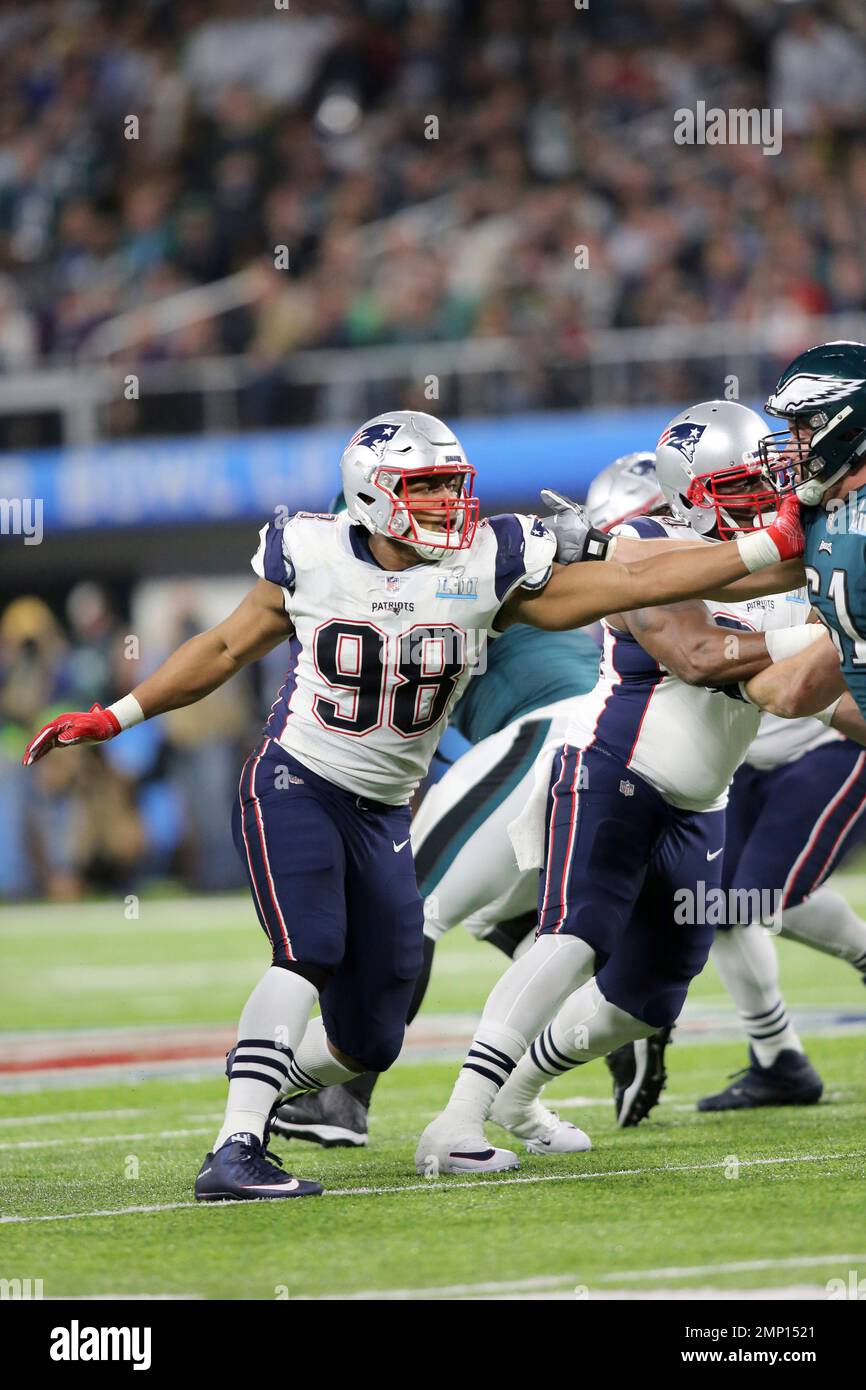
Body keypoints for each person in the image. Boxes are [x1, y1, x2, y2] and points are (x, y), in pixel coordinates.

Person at [23, 409, 805, 1200]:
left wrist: (775, 550)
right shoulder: (311, 550)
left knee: (372, 1038)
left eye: (450, 485)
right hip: (296, 780)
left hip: (385, 811)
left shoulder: (489, 557)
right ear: (370, 496)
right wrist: (116, 715)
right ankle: (235, 1146)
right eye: (424, 487)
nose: (446, 504)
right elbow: (224, 648)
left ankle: (261, 1078)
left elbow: (636, 580)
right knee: (308, 947)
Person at [414, 401, 827, 1174]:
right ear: (694, 493)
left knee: (650, 995)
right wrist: (825, 632)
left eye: (772, 474)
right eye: (747, 481)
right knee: (575, 937)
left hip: (702, 802)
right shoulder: (646, 543)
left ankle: (518, 1093)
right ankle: (456, 1120)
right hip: (613, 771)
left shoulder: (776, 558)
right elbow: (701, 654)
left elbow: (807, 680)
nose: (772, 491)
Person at [272, 452, 663, 1150]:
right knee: (492, 906)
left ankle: (340, 1099)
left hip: (548, 734)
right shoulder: (458, 576)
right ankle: (592, 1011)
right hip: (602, 745)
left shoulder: (431, 583)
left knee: (410, 902)